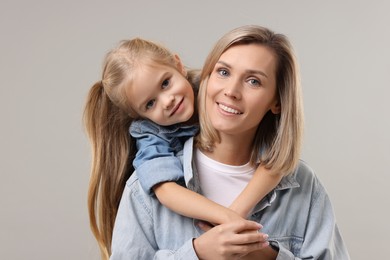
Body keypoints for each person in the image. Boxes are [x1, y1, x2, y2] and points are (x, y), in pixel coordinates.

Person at [107, 25, 350, 259]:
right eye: (224, 72)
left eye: (254, 81)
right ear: (209, 76)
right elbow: (165, 193)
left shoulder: (304, 186)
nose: (231, 91)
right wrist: (197, 254)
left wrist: (262, 254)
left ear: (277, 101)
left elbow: (278, 162)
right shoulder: (145, 185)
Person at [84, 37, 285, 259]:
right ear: (140, 115)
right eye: (150, 104)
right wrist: (222, 223)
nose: (167, 100)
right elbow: (166, 191)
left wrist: (236, 216)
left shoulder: (217, 89)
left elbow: (277, 159)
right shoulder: (151, 135)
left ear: (178, 65)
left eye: (165, 83)